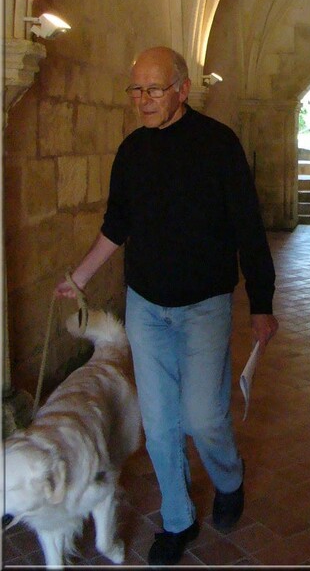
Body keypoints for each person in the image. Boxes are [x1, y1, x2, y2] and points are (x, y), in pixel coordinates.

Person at [55, 46, 278, 566]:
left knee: (204, 417)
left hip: (204, 305)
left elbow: (249, 228)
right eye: (135, 89)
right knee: (159, 426)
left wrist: (261, 303)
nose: (143, 100)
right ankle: (177, 521)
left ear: (182, 88)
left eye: (154, 89)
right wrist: (79, 278)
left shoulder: (219, 146)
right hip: (146, 307)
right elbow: (117, 224)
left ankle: (229, 478)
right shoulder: (131, 151)